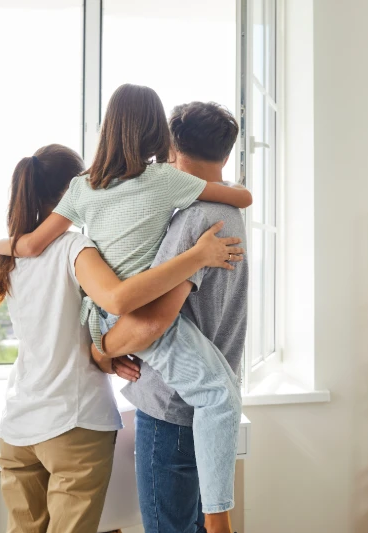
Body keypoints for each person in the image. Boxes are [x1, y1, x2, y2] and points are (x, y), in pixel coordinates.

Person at [0, 85, 248, 533]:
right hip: (122, 328)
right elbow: (135, 311)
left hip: (83, 352)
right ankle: (219, 519)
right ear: (158, 139)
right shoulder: (171, 188)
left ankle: (216, 516)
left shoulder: (82, 190)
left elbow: (33, 245)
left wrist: (1, 246)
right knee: (221, 394)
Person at [92, 101, 248, 533]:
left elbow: (151, 322)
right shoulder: (229, 209)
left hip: (171, 410)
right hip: (200, 405)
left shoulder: (195, 219)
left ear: (172, 149)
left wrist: (101, 349)